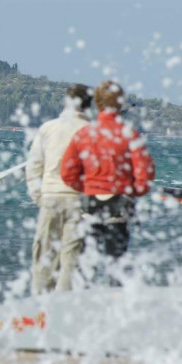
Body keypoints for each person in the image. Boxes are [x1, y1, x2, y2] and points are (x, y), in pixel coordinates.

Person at [60, 80, 155, 285]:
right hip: (119, 205)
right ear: (120, 104)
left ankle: (83, 309)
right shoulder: (129, 135)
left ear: (97, 103)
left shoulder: (84, 133)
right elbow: (145, 176)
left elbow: (67, 172)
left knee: (85, 267)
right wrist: (132, 191)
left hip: (90, 204)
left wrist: (86, 188)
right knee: (116, 266)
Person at [25, 83, 91, 293]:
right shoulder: (92, 131)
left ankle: (38, 307)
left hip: (51, 197)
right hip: (78, 201)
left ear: (66, 103)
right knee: (71, 261)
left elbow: (34, 168)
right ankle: (65, 308)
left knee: (44, 256)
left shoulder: (48, 128)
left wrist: (40, 198)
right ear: (88, 105)